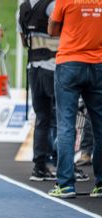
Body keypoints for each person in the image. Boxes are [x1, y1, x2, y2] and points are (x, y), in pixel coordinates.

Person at [47, 0, 102, 198]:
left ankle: (66, 184)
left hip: (69, 63)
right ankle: (101, 183)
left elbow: (52, 28)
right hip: (97, 64)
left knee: (66, 126)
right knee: (100, 126)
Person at [17, 0, 58, 181]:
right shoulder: (53, 5)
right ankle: (62, 165)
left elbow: (24, 41)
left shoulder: (22, 8)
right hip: (53, 67)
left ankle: (39, 166)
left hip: (33, 67)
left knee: (42, 118)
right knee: (60, 119)